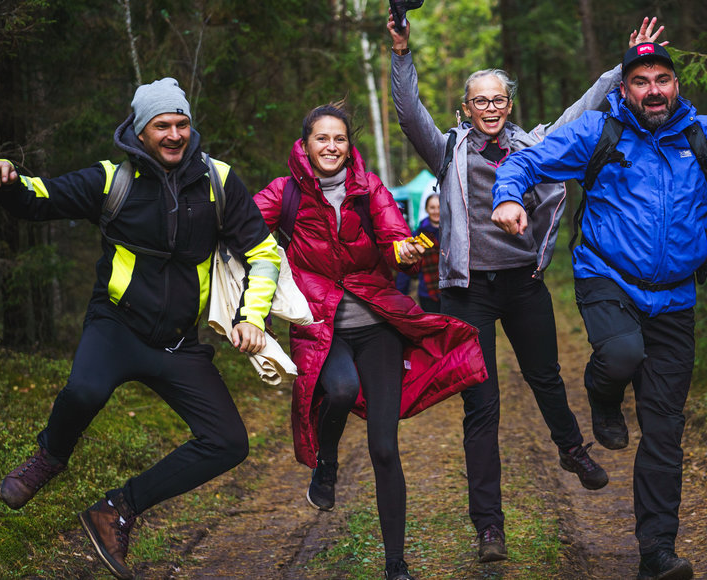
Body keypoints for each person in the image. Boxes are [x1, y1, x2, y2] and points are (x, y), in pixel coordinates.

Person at [491, 39, 707, 580]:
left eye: (662, 79)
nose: (653, 90)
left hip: (677, 297)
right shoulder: (600, 131)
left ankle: (657, 550)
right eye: (641, 81)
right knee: (620, 353)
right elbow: (527, 162)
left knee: (664, 431)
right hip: (608, 278)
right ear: (625, 88)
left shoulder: (701, 134)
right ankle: (602, 394)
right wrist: (509, 197)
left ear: (675, 85)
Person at [388, 11, 667, 563]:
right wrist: (402, 55)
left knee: (545, 379)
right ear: (466, 108)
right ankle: (489, 528)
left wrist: (624, 66)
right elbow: (406, 112)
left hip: (523, 285)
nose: (490, 108)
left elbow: (583, 109)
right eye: (479, 101)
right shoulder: (445, 151)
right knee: (482, 406)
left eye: (498, 100)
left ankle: (572, 450)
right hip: (467, 291)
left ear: (508, 105)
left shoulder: (535, 146)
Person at [0, 77, 281, 580]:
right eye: (161, 125)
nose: (174, 134)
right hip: (116, 326)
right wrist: (6, 181)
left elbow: (263, 253)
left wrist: (252, 317)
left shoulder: (218, 180)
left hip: (179, 343)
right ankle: (50, 457)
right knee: (84, 388)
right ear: (140, 132)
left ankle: (117, 508)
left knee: (228, 441)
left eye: (181, 124)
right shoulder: (111, 180)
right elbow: (40, 199)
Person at [252, 102, 487, 580]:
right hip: (319, 324)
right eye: (322, 138)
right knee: (337, 389)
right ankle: (328, 462)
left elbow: (394, 234)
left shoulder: (369, 186)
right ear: (306, 143)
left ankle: (396, 563)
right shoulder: (285, 193)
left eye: (339, 139)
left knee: (384, 447)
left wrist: (404, 248)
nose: (331, 147)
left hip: (377, 322)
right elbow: (243, 226)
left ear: (348, 144)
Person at [412, 192, 441, 312]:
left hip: (451, 292)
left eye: (439, 207)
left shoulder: (452, 229)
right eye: (432, 207)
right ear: (426, 209)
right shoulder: (419, 234)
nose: (436, 211)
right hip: (427, 293)